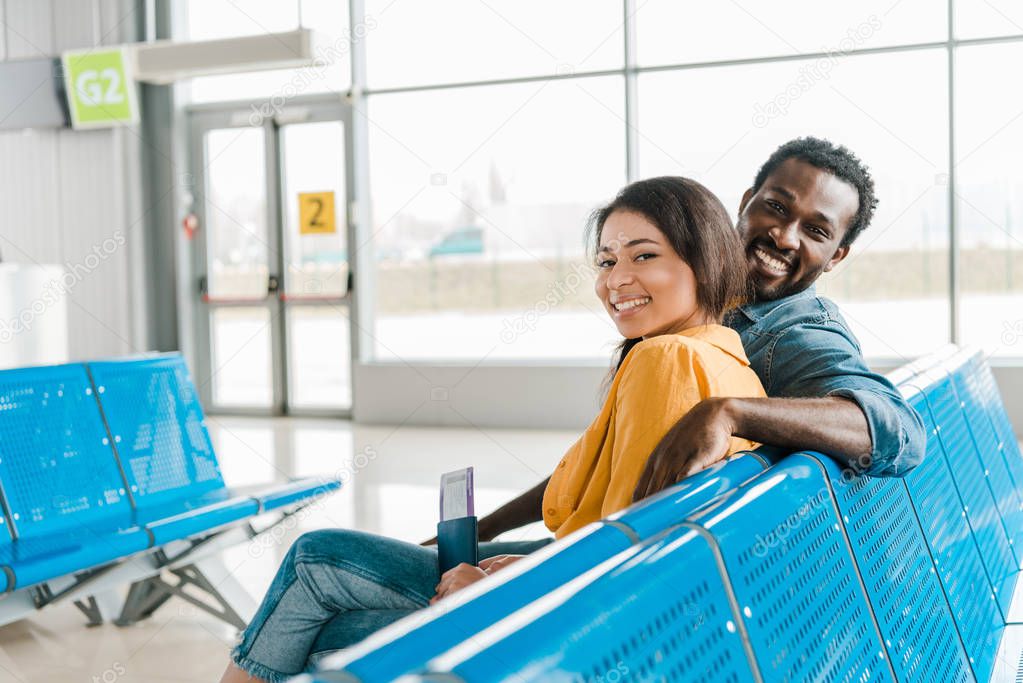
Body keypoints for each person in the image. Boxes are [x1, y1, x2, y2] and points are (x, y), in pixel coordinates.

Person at [219, 176, 766, 682]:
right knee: (326, 608)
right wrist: (515, 553)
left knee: (316, 566)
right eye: (605, 261)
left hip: (589, 636)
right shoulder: (724, 356)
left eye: (644, 256)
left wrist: (496, 584)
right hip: (644, 615)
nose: (616, 280)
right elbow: (634, 524)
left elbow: (619, 561)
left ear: (706, 260)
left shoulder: (664, 361)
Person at [479, 137, 926, 545]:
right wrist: (487, 531)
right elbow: (614, 460)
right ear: (747, 202)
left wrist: (729, 413)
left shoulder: (794, 333)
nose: (785, 236)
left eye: (816, 231)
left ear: (836, 256)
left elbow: (900, 431)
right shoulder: (700, 308)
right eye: (776, 207)